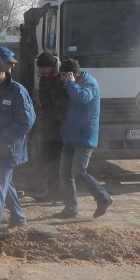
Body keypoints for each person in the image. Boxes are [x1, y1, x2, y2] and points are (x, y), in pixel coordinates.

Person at [0, 55, 36, 237]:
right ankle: (18, 217)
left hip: (8, 150)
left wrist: (4, 138)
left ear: (0, 73)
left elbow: (26, 121)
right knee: (5, 185)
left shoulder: (17, 92)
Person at [56, 58, 113, 218]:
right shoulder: (69, 84)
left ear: (71, 74)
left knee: (79, 172)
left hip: (84, 136)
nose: (61, 78)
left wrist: (71, 83)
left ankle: (104, 197)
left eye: (63, 75)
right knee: (64, 172)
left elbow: (82, 98)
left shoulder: (90, 83)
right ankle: (71, 209)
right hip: (70, 134)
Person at [34, 52, 68, 204]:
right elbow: (44, 101)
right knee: (49, 161)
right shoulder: (43, 79)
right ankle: (51, 192)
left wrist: (58, 117)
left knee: (59, 162)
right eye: (41, 68)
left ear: (52, 66)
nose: (43, 70)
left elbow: (64, 102)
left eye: (45, 67)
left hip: (60, 125)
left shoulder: (61, 78)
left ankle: (60, 195)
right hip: (48, 124)